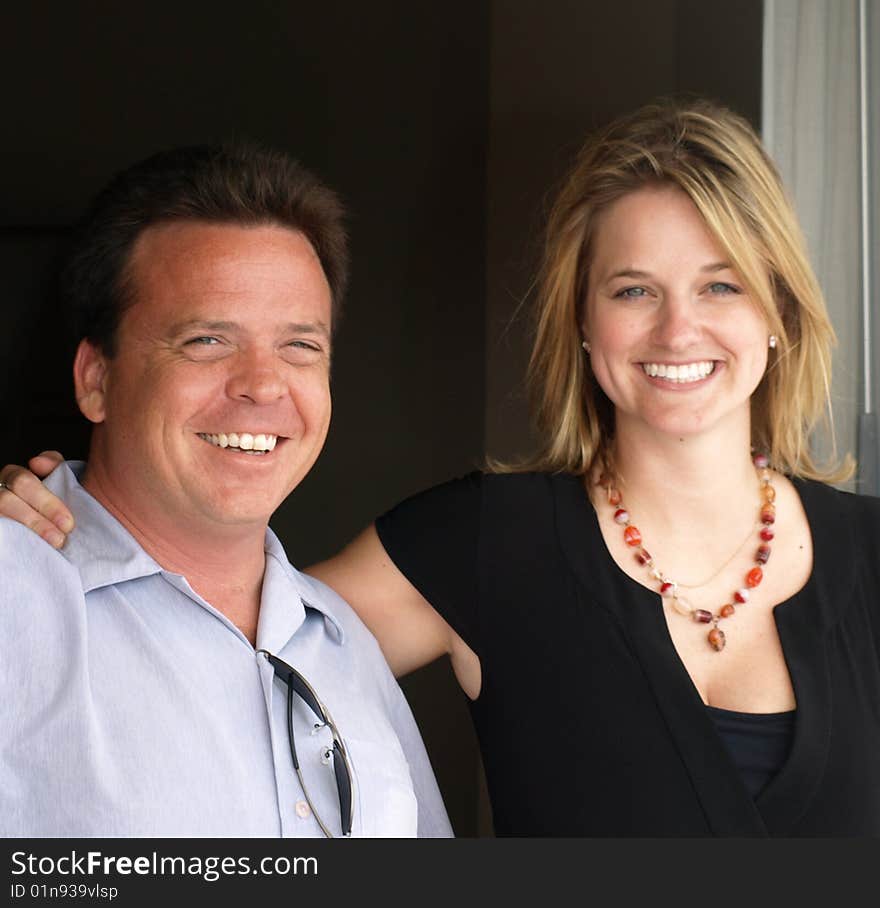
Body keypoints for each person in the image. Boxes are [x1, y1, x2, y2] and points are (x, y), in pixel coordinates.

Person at [5, 99, 880, 836]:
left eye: (722, 285)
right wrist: (42, 523)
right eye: (633, 289)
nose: (678, 330)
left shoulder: (869, 556)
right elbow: (194, 624)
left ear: (780, 311)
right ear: (581, 322)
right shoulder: (483, 545)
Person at [0, 142, 451, 838]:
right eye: (208, 340)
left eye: (301, 346)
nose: (264, 385)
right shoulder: (15, 600)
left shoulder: (343, 645)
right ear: (96, 379)